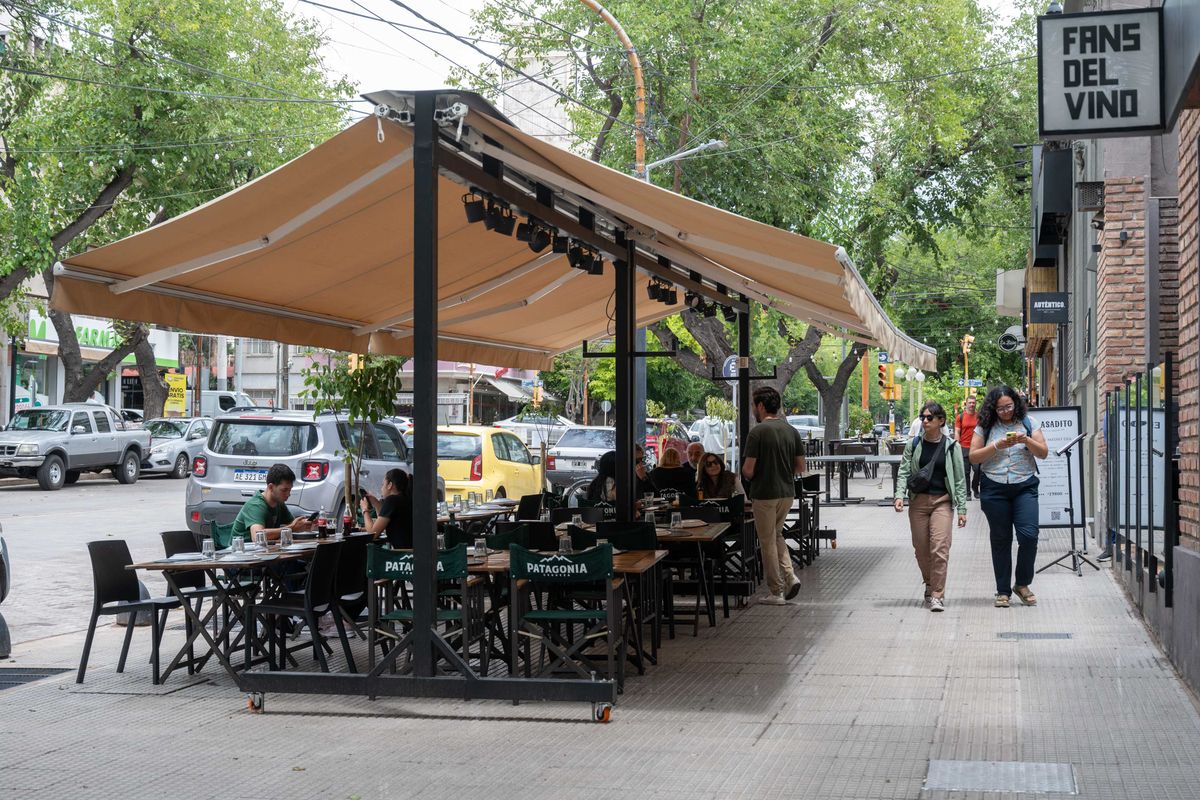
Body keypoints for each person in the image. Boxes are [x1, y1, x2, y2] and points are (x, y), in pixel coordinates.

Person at [970, 386, 1049, 608]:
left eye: (1008, 407)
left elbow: (1043, 453)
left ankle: (1022, 583)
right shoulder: (984, 427)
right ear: (992, 409)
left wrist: (1025, 441)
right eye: (1000, 408)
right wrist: (996, 445)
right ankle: (1002, 590)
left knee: (1029, 535)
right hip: (994, 488)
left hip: (1024, 485)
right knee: (1001, 538)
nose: (1005, 412)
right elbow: (974, 457)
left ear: (1016, 403)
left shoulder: (1029, 423)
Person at [894, 401, 967, 612]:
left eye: (929, 418)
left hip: (942, 502)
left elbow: (960, 480)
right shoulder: (914, 445)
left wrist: (962, 509)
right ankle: (929, 582)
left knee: (940, 549)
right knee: (921, 550)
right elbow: (904, 471)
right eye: (923, 417)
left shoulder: (951, 446)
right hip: (918, 503)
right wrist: (899, 495)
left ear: (940, 420)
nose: (925, 421)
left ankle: (937, 594)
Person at [741, 385, 805, 605]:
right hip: (786, 492)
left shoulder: (757, 433)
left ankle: (776, 591)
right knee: (776, 536)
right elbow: (800, 467)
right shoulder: (791, 431)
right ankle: (790, 577)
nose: (752, 409)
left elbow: (748, 470)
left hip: (764, 493)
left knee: (767, 541)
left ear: (760, 406)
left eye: (752, 405)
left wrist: (755, 474)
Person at [231, 463, 314, 542]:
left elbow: (293, 524)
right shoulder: (256, 505)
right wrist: (291, 528)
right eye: (284, 490)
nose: (288, 494)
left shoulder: (279, 502)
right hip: (242, 552)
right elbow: (257, 536)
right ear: (271, 487)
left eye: (290, 490)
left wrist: (305, 524)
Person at [360, 468, 414, 549]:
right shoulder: (405, 499)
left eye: (382, 484)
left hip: (402, 555)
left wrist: (365, 510)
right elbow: (383, 522)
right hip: (413, 552)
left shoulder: (391, 500)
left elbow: (372, 533)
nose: (381, 488)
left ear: (389, 485)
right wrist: (376, 503)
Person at [955, 396, 982, 499]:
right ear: (965, 404)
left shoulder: (979, 416)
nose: (972, 404)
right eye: (970, 403)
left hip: (976, 447)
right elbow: (957, 431)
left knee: (977, 469)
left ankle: (975, 488)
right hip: (963, 447)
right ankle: (967, 493)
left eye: (973, 403)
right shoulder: (960, 417)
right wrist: (957, 445)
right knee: (965, 472)